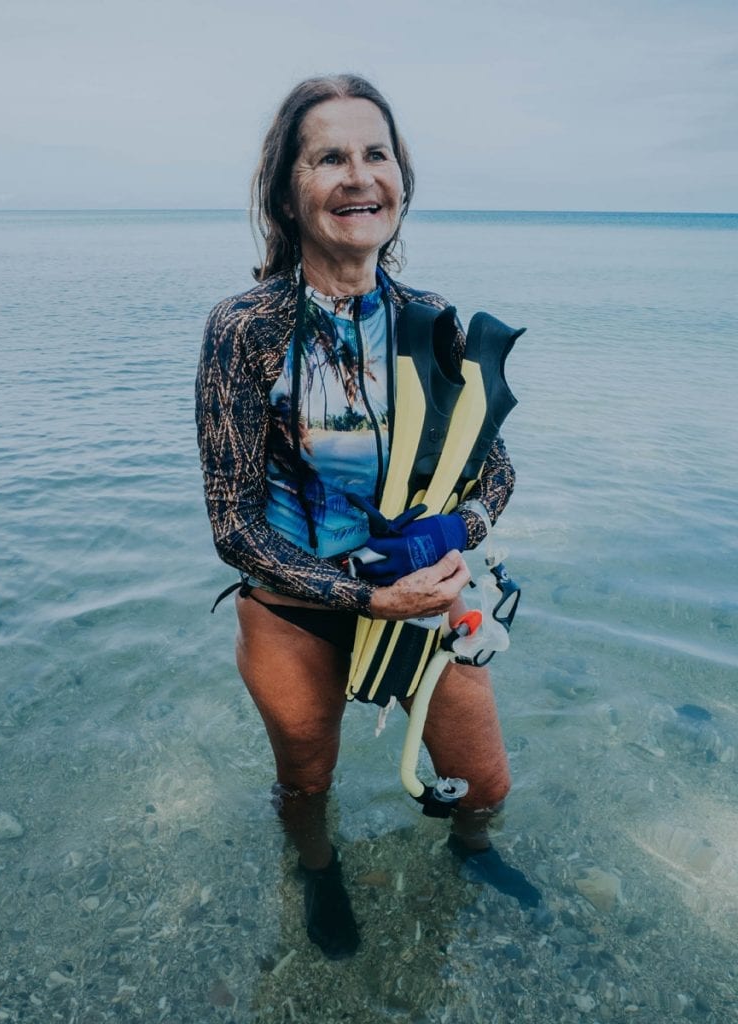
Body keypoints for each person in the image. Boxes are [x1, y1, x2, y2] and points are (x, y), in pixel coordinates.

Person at [195, 74, 540, 959]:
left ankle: (470, 845)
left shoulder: (431, 322)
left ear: (401, 180)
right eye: (330, 158)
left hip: (427, 599)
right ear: (288, 190)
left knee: (485, 779)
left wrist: (451, 536)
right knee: (307, 783)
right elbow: (232, 523)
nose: (359, 176)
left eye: (375, 154)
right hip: (295, 606)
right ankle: (316, 873)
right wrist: (360, 598)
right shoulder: (246, 330)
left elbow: (493, 468)